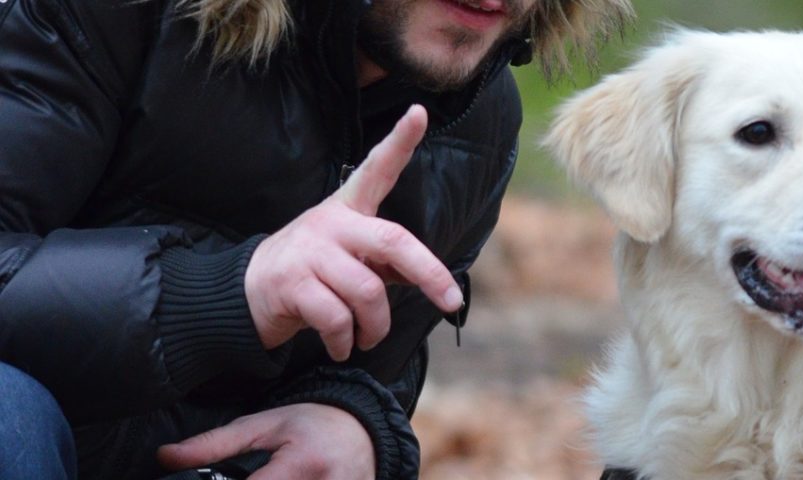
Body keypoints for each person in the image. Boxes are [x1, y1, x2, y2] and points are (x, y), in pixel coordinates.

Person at [0, 0, 632, 478]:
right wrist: (231, 294)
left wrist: (355, 421)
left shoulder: (480, 116)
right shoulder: (119, 13)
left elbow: (381, 366)